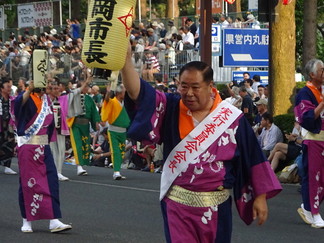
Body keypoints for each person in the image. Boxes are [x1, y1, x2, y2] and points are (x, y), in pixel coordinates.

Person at [121, 44, 281, 242]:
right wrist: (125, 62)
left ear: (210, 86)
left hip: (216, 206)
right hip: (177, 205)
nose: (188, 93)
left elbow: (254, 157)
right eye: (183, 86)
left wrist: (260, 196)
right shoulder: (171, 106)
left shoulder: (232, 119)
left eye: (195, 87)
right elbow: (139, 94)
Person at [14, 80, 72, 233]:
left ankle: (54, 220)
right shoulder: (27, 97)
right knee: (27, 184)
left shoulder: (47, 101)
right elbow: (18, 104)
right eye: (46, 85)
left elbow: (50, 125)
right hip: (28, 146)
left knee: (51, 180)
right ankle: (26, 220)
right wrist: (29, 89)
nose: (48, 88)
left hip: (43, 147)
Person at [294, 58, 324, 228]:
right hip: (314, 140)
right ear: (312, 74)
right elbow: (306, 118)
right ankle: (314, 212)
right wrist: (322, 103)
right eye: (321, 70)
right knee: (314, 177)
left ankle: (308, 207)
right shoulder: (304, 93)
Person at [69, 80, 101, 176]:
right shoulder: (73, 97)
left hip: (86, 125)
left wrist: (96, 122)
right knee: (78, 145)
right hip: (76, 124)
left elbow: (94, 112)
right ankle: (79, 166)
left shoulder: (89, 99)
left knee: (85, 145)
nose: (88, 88)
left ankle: (83, 164)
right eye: (86, 86)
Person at [101, 83, 130, 180]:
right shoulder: (112, 102)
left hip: (123, 131)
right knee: (115, 151)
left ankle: (118, 171)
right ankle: (116, 172)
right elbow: (106, 100)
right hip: (113, 131)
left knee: (121, 151)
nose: (125, 94)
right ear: (119, 93)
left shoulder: (125, 103)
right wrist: (108, 93)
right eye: (123, 92)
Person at [0, 78, 17, 175]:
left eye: (10, 87)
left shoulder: (12, 99)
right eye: (8, 87)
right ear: (2, 88)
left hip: (9, 125)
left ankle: (7, 166)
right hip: (0, 124)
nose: (10, 89)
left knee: (9, 144)